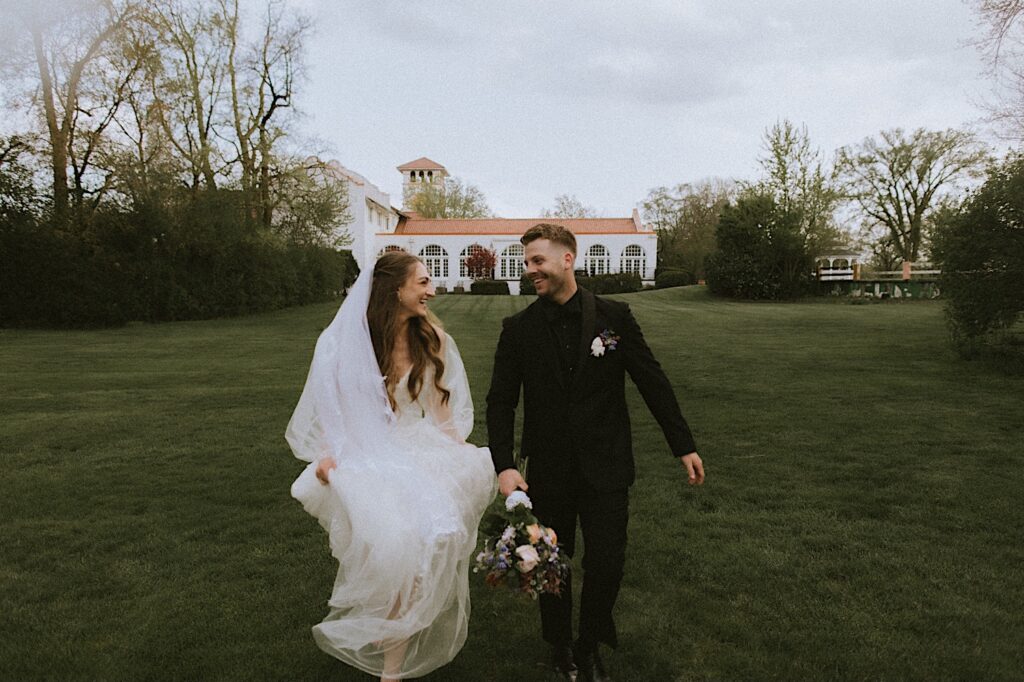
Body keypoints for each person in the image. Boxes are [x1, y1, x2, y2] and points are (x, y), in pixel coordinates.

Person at [486, 224, 706, 682]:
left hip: (607, 464)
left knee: (607, 560)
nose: (531, 271)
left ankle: (589, 646)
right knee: (550, 561)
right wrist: (505, 466)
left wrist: (681, 444)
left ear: (568, 259)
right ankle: (560, 646)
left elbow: (651, 379)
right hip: (547, 470)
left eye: (538, 261)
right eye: (527, 263)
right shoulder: (518, 329)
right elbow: (500, 402)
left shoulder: (615, 317)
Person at [286, 252, 497, 682]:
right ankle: (392, 649)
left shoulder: (432, 339)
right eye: (422, 282)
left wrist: (462, 453)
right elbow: (333, 409)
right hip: (366, 454)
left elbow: (443, 414)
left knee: (424, 545)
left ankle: (392, 666)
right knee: (395, 551)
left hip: (417, 449)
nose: (431, 291)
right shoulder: (346, 342)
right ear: (394, 289)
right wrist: (330, 455)